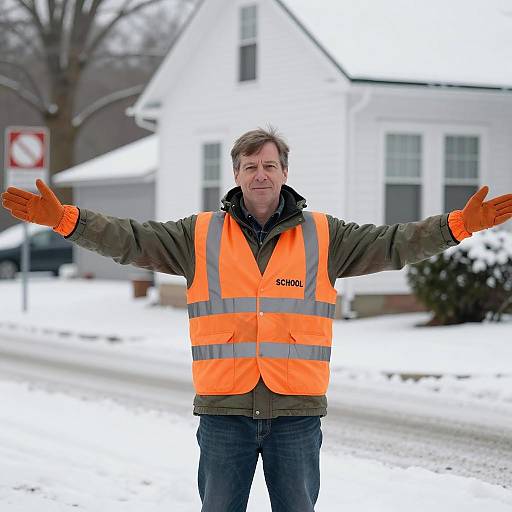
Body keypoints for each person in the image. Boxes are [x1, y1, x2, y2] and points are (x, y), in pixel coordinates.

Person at [2, 127, 512, 512]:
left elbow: (394, 243)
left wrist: (458, 225)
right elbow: (132, 238)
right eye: (250, 166)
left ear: (285, 172)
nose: (260, 174)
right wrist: (68, 220)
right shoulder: (197, 236)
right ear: (237, 174)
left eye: (269, 165)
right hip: (225, 413)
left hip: (296, 412)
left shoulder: (325, 235)